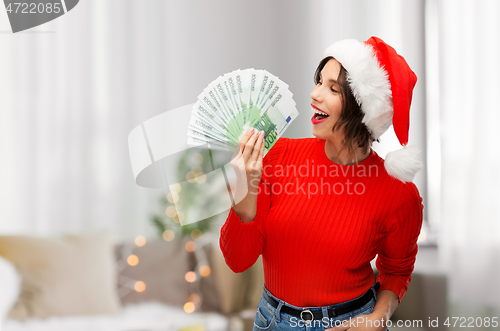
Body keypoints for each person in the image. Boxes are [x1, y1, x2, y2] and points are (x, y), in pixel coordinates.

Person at [220, 36, 424, 331]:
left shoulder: (399, 194)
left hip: (349, 324)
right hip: (271, 321)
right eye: (318, 81)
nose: (315, 94)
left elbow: (397, 270)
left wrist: (377, 318)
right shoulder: (280, 155)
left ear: (363, 108)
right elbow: (237, 260)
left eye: (332, 88)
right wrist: (245, 188)